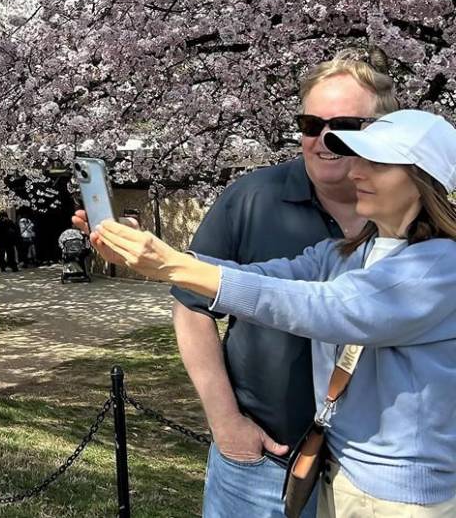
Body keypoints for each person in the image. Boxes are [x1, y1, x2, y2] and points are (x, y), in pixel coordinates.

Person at [87, 109, 456, 517]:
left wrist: (174, 267)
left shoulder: (440, 265)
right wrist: (161, 256)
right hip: (343, 474)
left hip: (405, 497)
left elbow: (326, 307)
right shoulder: (349, 253)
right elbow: (265, 277)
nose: (357, 173)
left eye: (378, 163)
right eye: (359, 159)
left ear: (424, 180)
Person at [169, 51, 397, 518]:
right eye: (311, 124)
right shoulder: (251, 198)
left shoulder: (415, 221)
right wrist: (226, 423)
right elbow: (192, 306)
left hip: (377, 480)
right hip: (261, 464)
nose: (324, 139)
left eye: (345, 125)